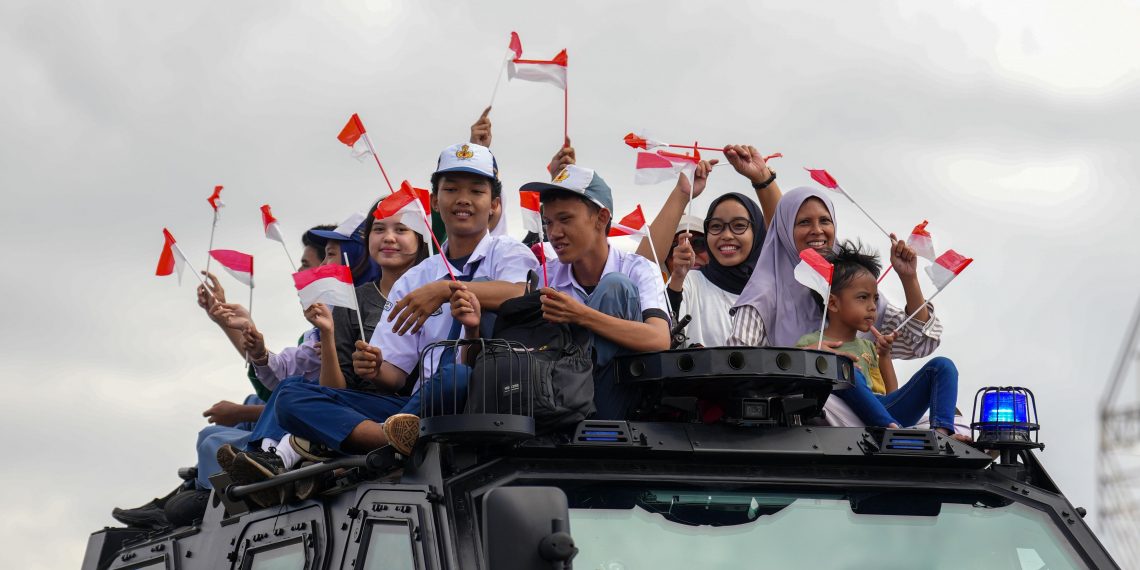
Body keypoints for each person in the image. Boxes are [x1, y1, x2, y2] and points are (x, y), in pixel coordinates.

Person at [223, 143, 538, 501]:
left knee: (457, 375)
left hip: (479, 401)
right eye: (451, 190)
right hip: (413, 411)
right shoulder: (415, 278)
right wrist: (373, 368)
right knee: (290, 395)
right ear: (435, 202)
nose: (462, 199)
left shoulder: (509, 252)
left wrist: (444, 289)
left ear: (495, 205)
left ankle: (348, 445)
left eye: (476, 191)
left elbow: (519, 293)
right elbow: (395, 375)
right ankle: (385, 441)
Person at [220, 203, 432, 506]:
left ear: (422, 238)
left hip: (409, 407)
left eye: (401, 230)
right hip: (358, 408)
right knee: (290, 391)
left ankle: (314, 453)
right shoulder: (352, 301)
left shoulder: (434, 288)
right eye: (379, 229)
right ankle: (270, 460)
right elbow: (336, 390)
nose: (388, 238)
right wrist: (329, 335)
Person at [727, 187, 955, 430]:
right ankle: (887, 428)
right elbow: (737, 367)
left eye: (825, 220)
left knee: (951, 406)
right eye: (804, 222)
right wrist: (805, 360)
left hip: (875, 413)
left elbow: (922, 343)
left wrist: (909, 278)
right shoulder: (763, 293)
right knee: (841, 372)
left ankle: (939, 433)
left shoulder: (853, 285)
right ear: (784, 229)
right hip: (803, 420)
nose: (817, 230)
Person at [522, 164, 671, 419]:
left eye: (566, 220)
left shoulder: (638, 269)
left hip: (621, 402)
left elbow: (659, 339)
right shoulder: (545, 275)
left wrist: (580, 315)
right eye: (548, 222)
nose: (554, 233)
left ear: (601, 218)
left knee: (616, 287)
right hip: (557, 402)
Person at [795, 241, 965, 439]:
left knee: (943, 366)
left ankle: (942, 434)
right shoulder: (812, 341)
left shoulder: (868, 346)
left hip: (882, 414)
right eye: (862, 297)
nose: (872, 306)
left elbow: (889, 394)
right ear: (833, 303)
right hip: (844, 416)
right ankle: (889, 429)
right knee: (845, 368)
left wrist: (884, 357)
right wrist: (812, 354)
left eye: (875, 299)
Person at [635, 144, 783, 274]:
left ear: (756, 236)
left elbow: (786, 244)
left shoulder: (771, 285)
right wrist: (681, 194)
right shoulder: (683, 289)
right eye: (672, 246)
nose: (687, 251)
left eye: (699, 243)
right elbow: (640, 270)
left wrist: (763, 178)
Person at [668, 192, 765, 347]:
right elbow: (664, 335)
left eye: (739, 225)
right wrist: (677, 278)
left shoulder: (773, 291)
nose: (726, 235)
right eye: (716, 226)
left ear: (757, 232)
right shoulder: (690, 282)